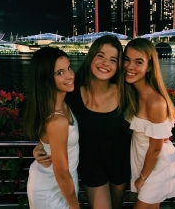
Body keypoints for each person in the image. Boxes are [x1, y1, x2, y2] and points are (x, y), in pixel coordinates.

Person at [33, 35, 131, 209]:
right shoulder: (72, 90)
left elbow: (148, 113)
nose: (105, 63)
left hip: (119, 163)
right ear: (91, 57)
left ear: (118, 65)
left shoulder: (126, 92)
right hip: (91, 166)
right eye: (100, 56)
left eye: (113, 59)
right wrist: (42, 144)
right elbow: (50, 114)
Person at [123, 38, 175, 209]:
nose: (130, 66)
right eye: (127, 59)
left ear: (149, 67)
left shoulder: (155, 102)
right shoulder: (134, 94)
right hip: (144, 163)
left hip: (157, 167)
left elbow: (156, 148)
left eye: (138, 62)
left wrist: (142, 177)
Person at [22, 47, 80, 209]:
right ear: (46, 79)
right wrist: (76, 207)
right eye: (59, 72)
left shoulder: (58, 105)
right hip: (52, 191)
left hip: (60, 186)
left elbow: (51, 139)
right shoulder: (57, 120)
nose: (69, 75)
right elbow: (62, 174)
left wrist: (41, 146)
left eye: (69, 68)